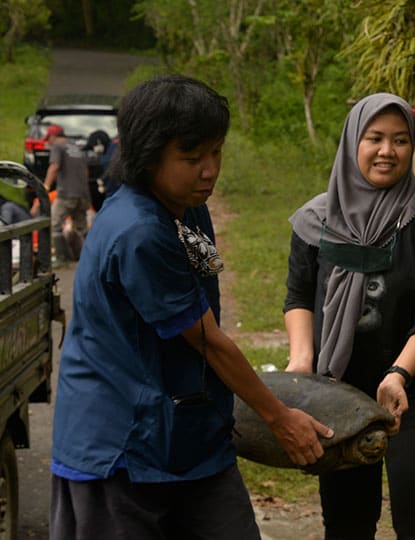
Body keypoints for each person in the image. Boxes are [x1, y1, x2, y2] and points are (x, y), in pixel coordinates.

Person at [50, 74, 333, 540]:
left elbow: (206, 276)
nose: (209, 170)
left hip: (191, 435)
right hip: (121, 449)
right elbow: (212, 344)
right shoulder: (138, 232)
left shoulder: (188, 207)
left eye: (216, 152)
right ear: (147, 155)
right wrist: (279, 418)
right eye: (191, 157)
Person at [284, 93, 415, 539]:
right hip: (337, 390)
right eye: (375, 138)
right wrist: (301, 366)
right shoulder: (317, 219)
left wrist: (398, 374)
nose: (388, 151)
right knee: (347, 523)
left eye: (401, 140)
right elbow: (299, 296)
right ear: (353, 142)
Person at [40, 124, 91, 265]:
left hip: (66, 194)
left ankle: (61, 259)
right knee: (81, 226)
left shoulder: (58, 146)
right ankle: (89, 258)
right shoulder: (76, 148)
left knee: (54, 223)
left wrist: (45, 186)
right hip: (83, 194)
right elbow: (86, 171)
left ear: (53, 136)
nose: (48, 142)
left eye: (48, 138)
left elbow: (54, 166)